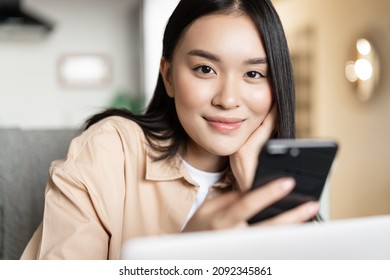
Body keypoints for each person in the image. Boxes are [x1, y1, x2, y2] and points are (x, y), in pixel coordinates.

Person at [21, 0, 320, 260]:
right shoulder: (110, 150)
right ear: (169, 76)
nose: (228, 99)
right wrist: (184, 255)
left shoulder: (281, 180)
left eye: (254, 74)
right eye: (205, 69)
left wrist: (255, 181)